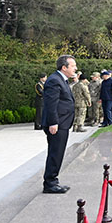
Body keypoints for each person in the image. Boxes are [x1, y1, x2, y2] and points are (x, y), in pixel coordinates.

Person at [41, 55, 77, 193]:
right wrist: (53, 122)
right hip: (58, 123)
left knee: (58, 153)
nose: (75, 68)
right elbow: (51, 104)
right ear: (64, 67)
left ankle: (53, 180)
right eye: (73, 66)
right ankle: (50, 183)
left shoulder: (61, 80)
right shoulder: (54, 80)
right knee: (55, 153)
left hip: (62, 122)